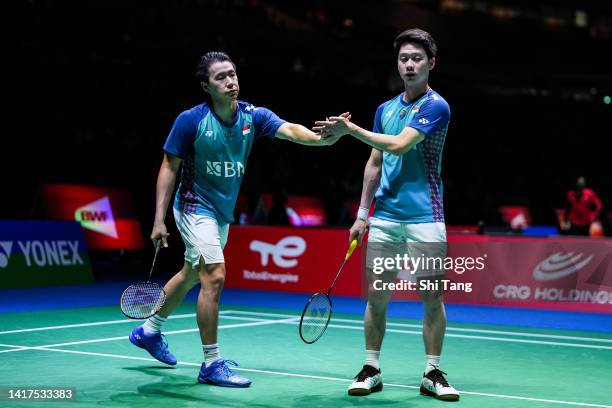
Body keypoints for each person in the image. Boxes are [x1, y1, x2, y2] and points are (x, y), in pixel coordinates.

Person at [128, 51, 341, 388]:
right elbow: (169, 167)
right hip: (194, 206)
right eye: (221, 78)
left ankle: (148, 331)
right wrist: (158, 219)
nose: (230, 82)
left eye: (232, 74)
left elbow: (289, 130)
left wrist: (324, 138)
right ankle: (211, 364)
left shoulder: (252, 116)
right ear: (206, 86)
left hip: (220, 212)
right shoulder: (191, 121)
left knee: (190, 273)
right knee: (214, 276)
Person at [315, 29, 459, 401]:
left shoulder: (436, 107)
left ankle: (432, 371)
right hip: (385, 217)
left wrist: (350, 130)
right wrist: (362, 213)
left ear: (431, 63)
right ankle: (372, 367)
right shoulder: (385, 109)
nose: (409, 65)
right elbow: (376, 161)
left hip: (426, 215)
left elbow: (399, 144)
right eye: (403, 59)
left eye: (417, 58)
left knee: (431, 296)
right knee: (377, 296)